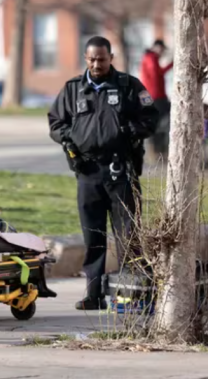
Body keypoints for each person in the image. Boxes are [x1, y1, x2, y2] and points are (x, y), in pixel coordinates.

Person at [48, 36, 159, 311]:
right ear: (86, 59)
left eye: (102, 59)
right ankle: (93, 294)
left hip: (121, 170)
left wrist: (127, 132)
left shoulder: (128, 86)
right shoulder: (73, 89)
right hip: (87, 172)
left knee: (128, 235)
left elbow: (151, 118)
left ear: (111, 58)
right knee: (92, 235)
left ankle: (131, 294)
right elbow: (54, 122)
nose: (97, 64)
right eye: (92, 59)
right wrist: (69, 136)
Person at [139, 39, 172, 158]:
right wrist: (172, 64)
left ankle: (157, 149)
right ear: (157, 47)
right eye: (162, 50)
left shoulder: (148, 57)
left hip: (152, 96)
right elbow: (156, 74)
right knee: (161, 120)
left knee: (156, 121)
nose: (162, 53)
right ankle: (157, 149)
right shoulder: (151, 58)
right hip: (155, 96)